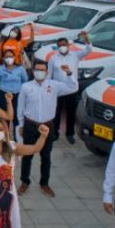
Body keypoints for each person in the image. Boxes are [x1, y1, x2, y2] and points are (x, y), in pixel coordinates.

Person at [15, 59, 78, 197]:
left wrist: (69, 74)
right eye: (37, 69)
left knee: (46, 156)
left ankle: (44, 184)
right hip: (30, 125)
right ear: (33, 71)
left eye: (42, 70)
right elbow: (20, 107)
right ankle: (24, 182)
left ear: (47, 72)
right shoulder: (26, 87)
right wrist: (20, 124)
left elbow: (73, 87)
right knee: (27, 155)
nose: (39, 72)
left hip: (48, 126)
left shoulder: (54, 86)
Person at [47, 36, 91, 144]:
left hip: (71, 89)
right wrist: (47, 87)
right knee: (56, 112)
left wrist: (86, 39)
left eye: (64, 45)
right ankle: (55, 132)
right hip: (58, 90)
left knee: (71, 113)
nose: (62, 47)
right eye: (59, 46)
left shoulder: (75, 55)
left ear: (68, 45)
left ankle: (70, 133)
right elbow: (49, 75)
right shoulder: (53, 58)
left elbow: (88, 50)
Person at [0, 50, 27, 126]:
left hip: (17, 96)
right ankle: (5, 135)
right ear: (3, 58)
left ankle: (17, 136)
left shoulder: (20, 69)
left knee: (17, 117)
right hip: (3, 96)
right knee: (5, 118)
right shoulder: (0, 69)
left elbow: (25, 82)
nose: (9, 58)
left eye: (11, 56)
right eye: (7, 56)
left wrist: (25, 95)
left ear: (14, 57)